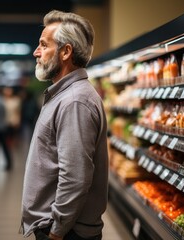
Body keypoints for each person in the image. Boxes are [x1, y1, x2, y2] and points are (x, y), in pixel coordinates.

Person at [21, 10, 108, 240]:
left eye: (43, 45)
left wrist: (57, 230)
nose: (36, 52)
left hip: (67, 232)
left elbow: (75, 177)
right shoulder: (66, 95)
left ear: (66, 51)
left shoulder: (74, 101)